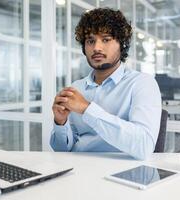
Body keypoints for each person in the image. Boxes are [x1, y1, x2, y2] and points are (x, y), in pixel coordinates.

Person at [50, 8, 161, 160]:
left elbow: (144, 146)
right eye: (90, 41)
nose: (96, 47)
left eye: (106, 39)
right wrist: (60, 122)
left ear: (122, 44)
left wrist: (86, 109)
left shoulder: (142, 84)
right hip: (79, 171)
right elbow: (62, 150)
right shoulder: (76, 88)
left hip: (122, 174)